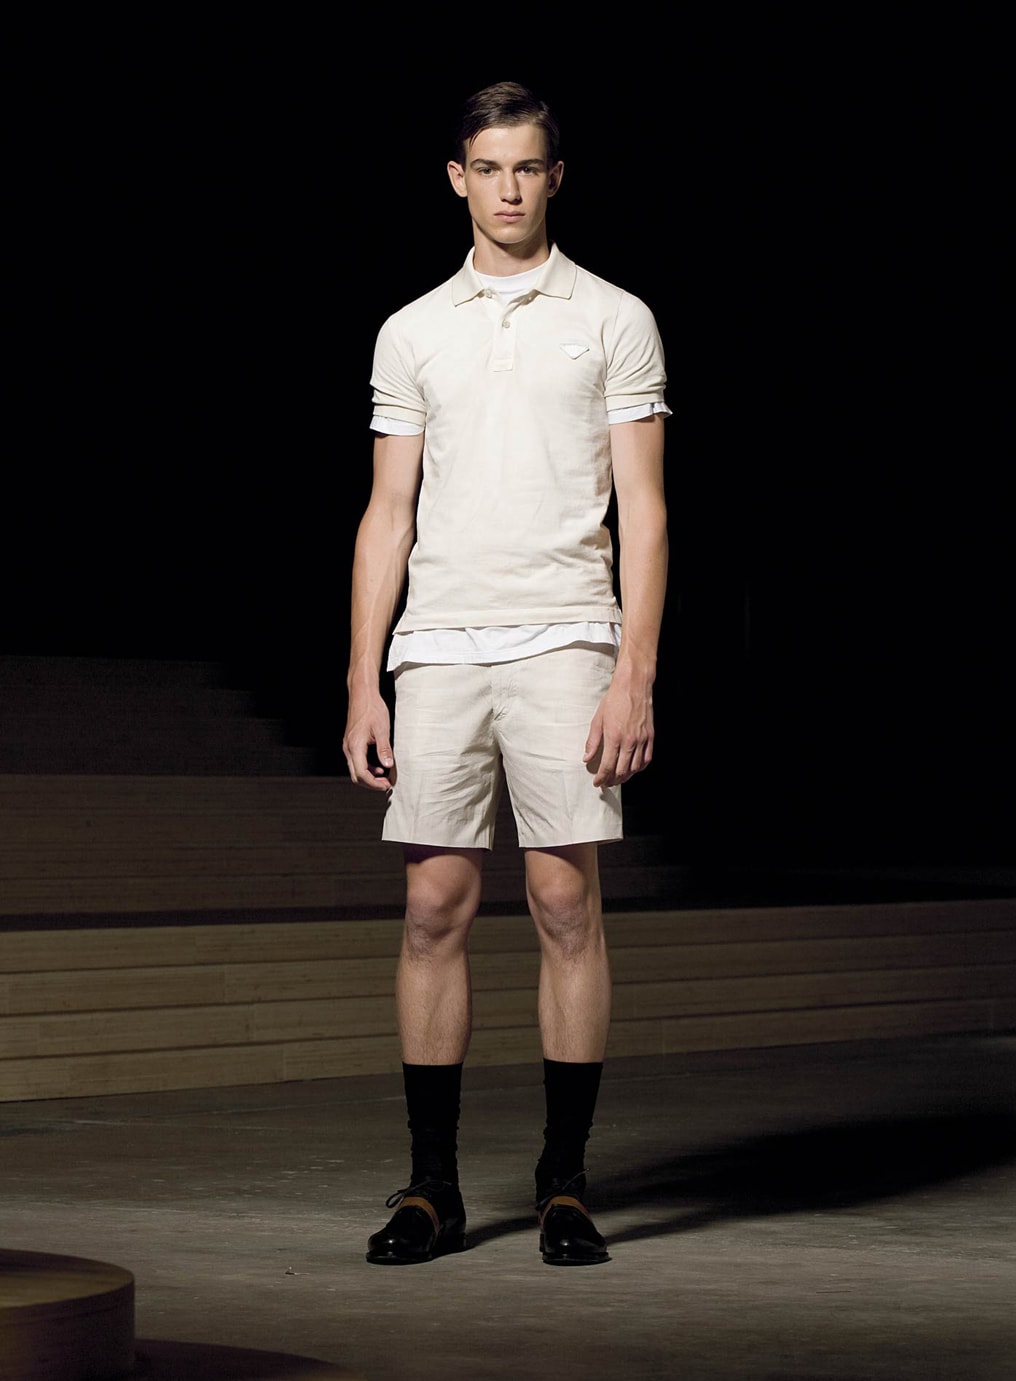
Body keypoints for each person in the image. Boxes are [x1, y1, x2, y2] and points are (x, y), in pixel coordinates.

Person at [342, 80, 669, 1267]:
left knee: (565, 901)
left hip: (568, 635)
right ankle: (432, 1188)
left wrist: (634, 673)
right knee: (434, 905)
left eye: (528, 167)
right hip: (438, 644)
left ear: (555, 177)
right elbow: (388, 513)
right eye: (489, 168)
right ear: (458, 179)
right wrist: (362, 679)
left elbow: (645, 507)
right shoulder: (412, 329)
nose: (510, 188)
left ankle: (563, 1183)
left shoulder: (615, 316)